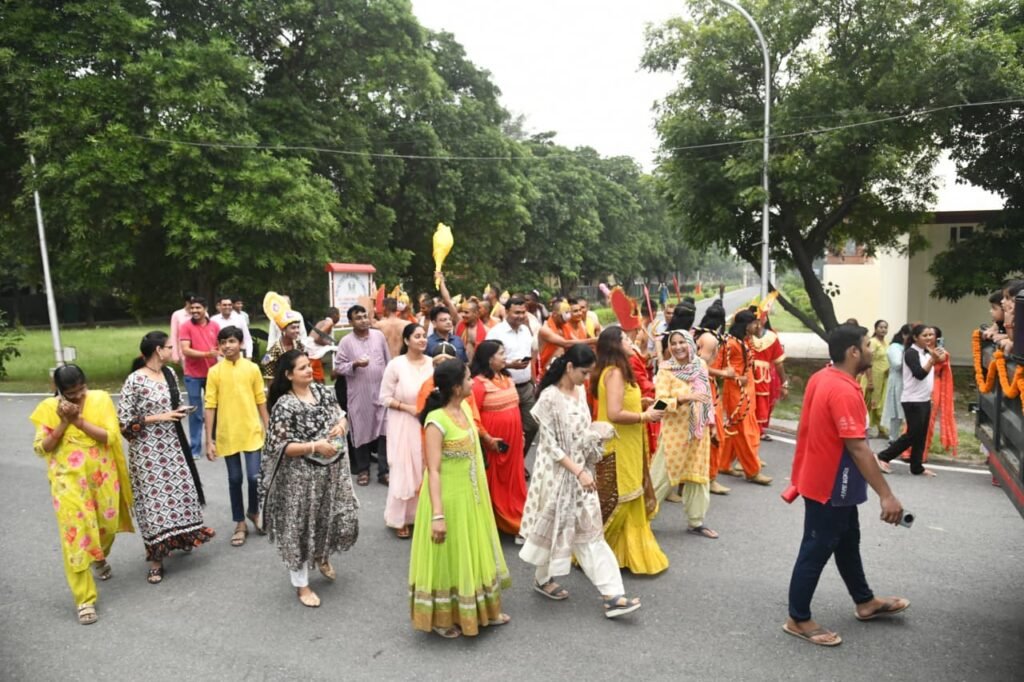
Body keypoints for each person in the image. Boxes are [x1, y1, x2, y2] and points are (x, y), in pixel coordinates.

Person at [784, 324, 909, 647]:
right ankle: (798, 618)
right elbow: (858, 448)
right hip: (829, 486)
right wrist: (887, 495)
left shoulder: (822, 377)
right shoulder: (842, 390)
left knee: (848, 541)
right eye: (867, 345)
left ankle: (865, 601)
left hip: (830, 482)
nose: (871, 350)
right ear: (853, 352)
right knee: (816, 549)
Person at [519, 345, 642, 618]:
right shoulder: (549, 398)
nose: (587, 379)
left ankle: (612, 594)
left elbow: (582, 429)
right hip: (557, 475)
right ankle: (550, 580)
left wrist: (595, 434)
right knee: (557, 528)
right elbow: (550, 446)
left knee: (588, 533)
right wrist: (578, 472)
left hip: (582, 472)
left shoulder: (580, 392)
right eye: (584, 373)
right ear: (569, 367)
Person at [409, 359, 512, 638]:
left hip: (470, 496)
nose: (472, 382)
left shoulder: (464, 409)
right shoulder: (436, 421)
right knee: (448, 555)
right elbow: (433, 470)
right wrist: (438, 515)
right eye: (468, 379)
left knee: (473, 549)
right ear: (456, 387)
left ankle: (483, 611)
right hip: (446, 500)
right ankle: (443, 618)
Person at [30, 365, 134, 625]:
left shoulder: (100, 399)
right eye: (70, 393)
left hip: (102, 477)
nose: (77, 397)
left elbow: (111, 437)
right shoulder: (48, 408)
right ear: (58, 390)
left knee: (107, 528)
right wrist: (64, 422)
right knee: (75, 537)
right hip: (67, 482)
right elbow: (42, 448)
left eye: (81, 390)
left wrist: (79, 422)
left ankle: (98, 557)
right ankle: (84, 599)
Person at [259, 350, 359, 608]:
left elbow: (341, 415)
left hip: (330, 472)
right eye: (302, 367)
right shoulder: (285, 406)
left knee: (328, 518)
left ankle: (321, 555)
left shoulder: (322, 392)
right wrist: (315, 446)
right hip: (300, 478)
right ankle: (302, 585)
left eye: (308, 365)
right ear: (288, 375)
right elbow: (280, 447)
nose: (308, 370)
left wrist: (341, 426)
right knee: (300, 528)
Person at [119, 332, 214, 585]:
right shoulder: (135, 380)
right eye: (170, 347)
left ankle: (180, 538)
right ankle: (156, 561)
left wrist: (178, 412)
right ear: (158, 350)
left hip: (173, 446)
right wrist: (158, 418)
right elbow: (124, 422)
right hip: (148, 453)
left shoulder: (170, 374)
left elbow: (173, 405)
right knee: (154, 504)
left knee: (180, 495)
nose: (173, 351)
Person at [592, 327, 668, 575]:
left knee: (632, 494)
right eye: (625, 338)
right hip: (618, 443)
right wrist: (645, 416)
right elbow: (614, 413)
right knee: (620, 497)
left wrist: (641, 403)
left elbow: (621, 403)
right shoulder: (614, 373)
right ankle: (592, 551)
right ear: (615, 344)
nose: (631, 341)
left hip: (629, 441)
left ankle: (622, 553)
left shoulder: (619, 369)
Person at [205, 326, 270, 547]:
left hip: (251, 430)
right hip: (227, 433)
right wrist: (209, 440)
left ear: (240, 343)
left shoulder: (252, 368)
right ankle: (240, 522)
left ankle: (254, 511)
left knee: (254, 477)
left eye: (231, 341)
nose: (227, 346)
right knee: (234, 479)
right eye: (223, 342)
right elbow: (210, 405)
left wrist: (268, 428)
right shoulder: (215, 372)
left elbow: (260, 399)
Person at [655, 330, 718, 538]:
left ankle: (696, 521)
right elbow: (659, 403)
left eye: (682, 342)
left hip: (698, 431)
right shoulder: (665, 370)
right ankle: (639, 519)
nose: (678, 347)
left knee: (698, 476)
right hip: (674, 432)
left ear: (690, 343)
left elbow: (707, 396)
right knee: (661, 476)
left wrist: (712, 423)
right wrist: (683, 398)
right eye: (673, 343)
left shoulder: (700, 365)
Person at [380, 323, 435, 538]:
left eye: (424, 336)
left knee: (425, 466)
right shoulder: (396, 365)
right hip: (403, 421)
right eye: (417, 336)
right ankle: (400, 519)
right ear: (406, 340)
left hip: (427, 421)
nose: (422, 340)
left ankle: (422, 515)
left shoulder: (432, 363)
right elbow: (384, 398)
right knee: (404, 468)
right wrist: (408, 408)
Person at [470, 340, 527, 535]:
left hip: (514, 440)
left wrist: (521, 433)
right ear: (489, 358)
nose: (505, 357)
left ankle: (516, 514)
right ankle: (499, 520)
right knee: (494, 480)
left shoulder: (507, 378)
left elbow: (515, 408)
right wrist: (487, 439)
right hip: (493, 442)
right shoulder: (478, 384)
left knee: (513, 479)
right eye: (501, 354)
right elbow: (473, 416)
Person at [876, 325, 946, 476]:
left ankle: (917, 467)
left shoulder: (926, 352)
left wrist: (936, 355)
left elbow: (941, 361)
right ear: (915, 337)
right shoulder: (910, 353)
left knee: (921, 435)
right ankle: (883, 456)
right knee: (912, 434)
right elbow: (919, 374)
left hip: (924, 398)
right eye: (925, 335)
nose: (929, 338)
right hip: (912, 400)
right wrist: (932, 360)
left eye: (931, 335)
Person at [334, 304, 390, 486]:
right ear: (350, 322)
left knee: (384, 431)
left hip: (381, 392)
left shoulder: (379, 336)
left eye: (365, 316)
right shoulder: (346, 342)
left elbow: (387, 361)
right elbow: (338, 367)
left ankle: (383, 471)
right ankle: (363, 469)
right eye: (358, 318)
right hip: (359, 395)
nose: (364, 320)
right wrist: (355, 364)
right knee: (360, 430)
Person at [714, 311, 772, 485]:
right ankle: (752, 471)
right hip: (736, 393)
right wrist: (737, 378)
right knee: (744, 432)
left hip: (748, 392)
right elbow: (716, 369)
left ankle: (723, 464)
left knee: (736, 430)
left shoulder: (744, 341)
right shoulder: (730, 343)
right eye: (754, 323)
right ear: (746, 325)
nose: (757, 326)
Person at [488, 296, 539, 454]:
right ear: (506, 311)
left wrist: (533, 382)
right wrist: (510, 365)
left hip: (526, 387)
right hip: (504, 388)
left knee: (532, 425)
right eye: (517, 312)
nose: (521, 316)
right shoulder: (496, 333)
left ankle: (519, 459)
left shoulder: (525, 330)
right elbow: (488, 361)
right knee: (510, 429)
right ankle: (512, 461)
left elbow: (531, 355)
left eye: (523, 312)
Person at [178, 296, 220, 459]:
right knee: (195, 411)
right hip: (193, 375)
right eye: (192, 308)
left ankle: (214, 443)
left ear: (205, 309)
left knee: (214, 408)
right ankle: (195, 448)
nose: (194, 311)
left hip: (213, 374)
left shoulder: (215, 326)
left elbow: (220, 346)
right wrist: (207, 354)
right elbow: (185, 350)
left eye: (198, 308)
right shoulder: (185, 326)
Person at [695, 328, 730, 495]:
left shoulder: (701, 374)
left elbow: (706, 402)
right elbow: (663, 397)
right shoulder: (669, 370)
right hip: (674, 427)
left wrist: (712, 424)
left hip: (696, 420)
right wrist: (651, 413)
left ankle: (705, 480)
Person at [748, 315, 788, 440]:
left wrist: (784, 383)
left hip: (763, 375)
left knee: (761, 401)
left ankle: (757, 429)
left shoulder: (771, 337)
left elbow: (778, 362)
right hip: (750, 373)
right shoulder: (745, 336)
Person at [859, 320, 890, 437]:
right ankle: (867, 427)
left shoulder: (886, 343)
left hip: (883, 377)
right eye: (881, 327)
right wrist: (870, 381)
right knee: (870, 401)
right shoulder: (872, 342)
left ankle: (880, 427)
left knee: (880, 402)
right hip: (872, 376)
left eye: (885, 327)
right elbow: (868, 361)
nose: (883, 329)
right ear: (876, 329)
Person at [881, 325, 911, 445]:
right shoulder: (895, 347)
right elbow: (897, 364)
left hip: (908, 381)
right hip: (898, 381)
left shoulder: (907, 347)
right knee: (896, 410)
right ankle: (893, 437)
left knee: (905, 410)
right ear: (903, 334)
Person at [307, 308, 341, 383]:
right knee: (320, 380)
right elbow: (317, 339)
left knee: (316, 378)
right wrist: (329, 345)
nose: (339, 317)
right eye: (339, 315)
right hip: (313, 353)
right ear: (335, 315)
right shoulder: (329, 323)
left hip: (310, 351)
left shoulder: (321, 322)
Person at [456, 297, 488, 363]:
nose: (463, 315)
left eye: (466, 312)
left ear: (476, 313)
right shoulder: (459, 325)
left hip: (477, 365)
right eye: (463, 312)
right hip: (459, 364)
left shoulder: (486, 330)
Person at [169, 292, 194, 364]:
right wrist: (175, 354)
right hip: (183, 352)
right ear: (186, 302)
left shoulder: (203, 314)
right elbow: (174, 335)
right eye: (191, 302)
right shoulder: (177, 314)